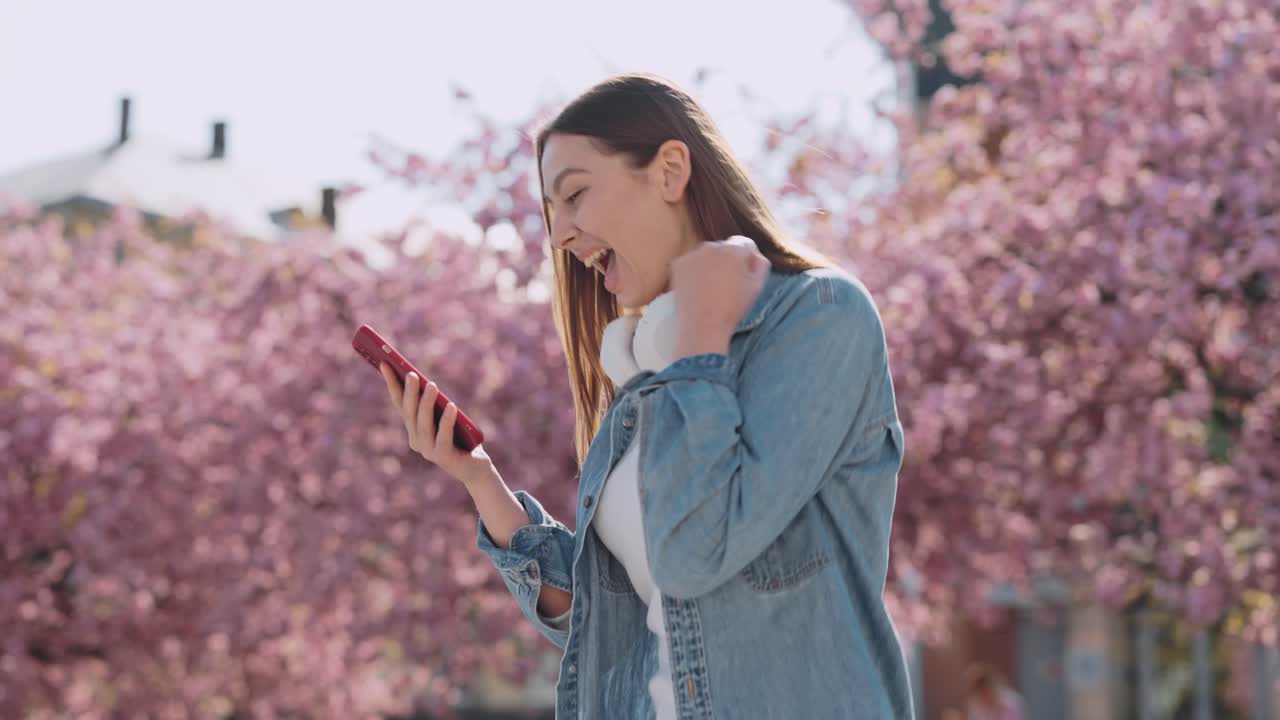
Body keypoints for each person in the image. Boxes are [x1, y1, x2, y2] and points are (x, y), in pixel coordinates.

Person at [380, 72, 912, 718]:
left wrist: (702, 341)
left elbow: (693, 557)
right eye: (551, 213)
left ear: (668, 172)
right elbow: (611, 622)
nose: (560, 237)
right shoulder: (645, 374)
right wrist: (480, 478)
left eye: (574, 195)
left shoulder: (821, 319)